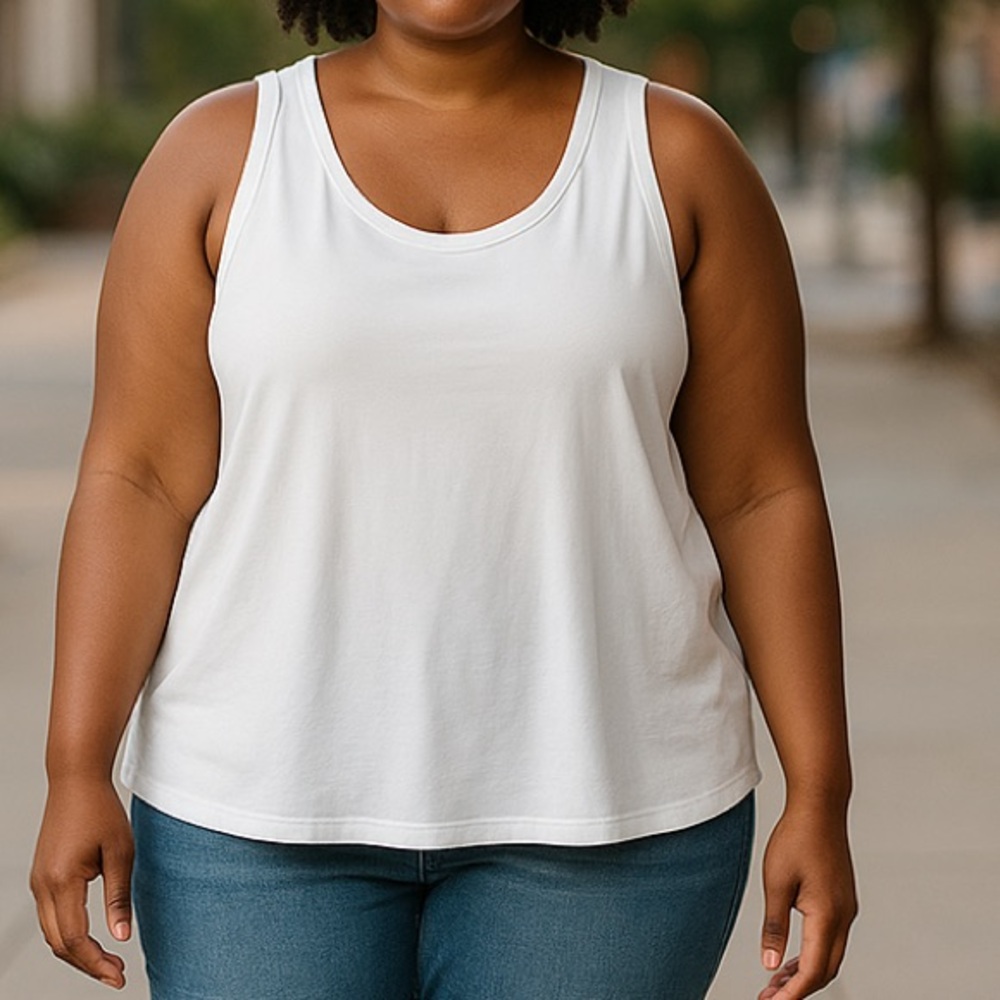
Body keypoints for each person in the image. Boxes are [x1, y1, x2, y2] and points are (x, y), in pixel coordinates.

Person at [29, 0, 858, 997]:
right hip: (252, 821)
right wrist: (76, 763)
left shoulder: (678, 157)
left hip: (614, 820)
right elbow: (140, 480)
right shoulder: (217, 154)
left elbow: (761, 490)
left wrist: (820, 787)